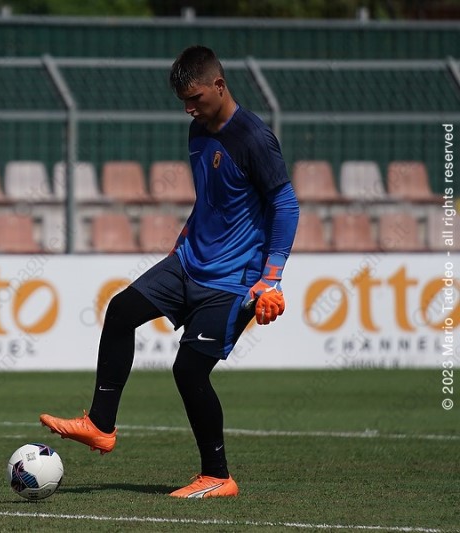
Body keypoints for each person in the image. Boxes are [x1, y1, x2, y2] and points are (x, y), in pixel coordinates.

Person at [39, 45, 300, 499]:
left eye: (195, 98)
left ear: (220, 85)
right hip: (188, 262)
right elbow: (212, 199)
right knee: (121, 310)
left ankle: (218, 476)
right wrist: (183, 242)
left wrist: (271, 278)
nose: (188, 108)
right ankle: (100, 424)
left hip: (232, 282)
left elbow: (286, 204)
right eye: (183, 100)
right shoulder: (198, 131)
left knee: (189, 370)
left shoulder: (254, 138)